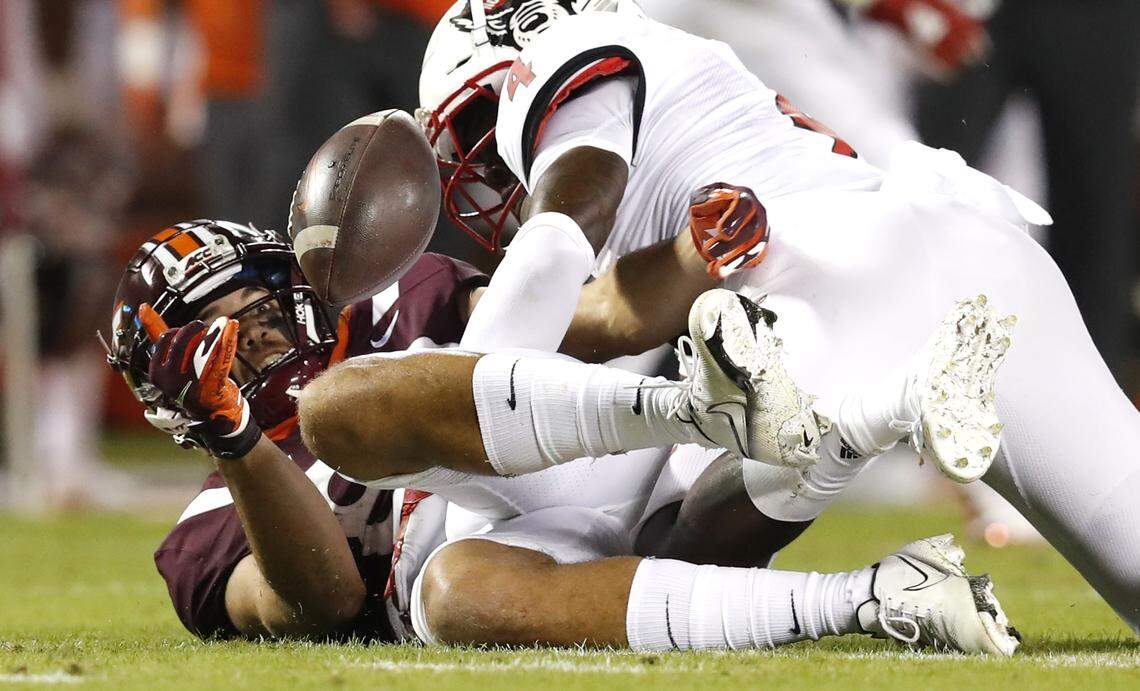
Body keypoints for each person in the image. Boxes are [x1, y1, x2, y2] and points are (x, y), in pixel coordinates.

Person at [311, 1, 1140, 633]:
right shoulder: (693, 85)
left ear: (503, 64)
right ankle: (898, 394)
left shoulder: (560, 61)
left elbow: (558, 245)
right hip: (982, 253)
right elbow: (608, 310)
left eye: (473, 139)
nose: (488, 178)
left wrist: (443, 464)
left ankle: (884, 407)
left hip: (837, 284)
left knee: (682, 548)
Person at [108, 220, 1019, 653]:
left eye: (266, 303)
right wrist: (238, 439)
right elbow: (321, 599)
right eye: (220, 331)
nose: (263, 334)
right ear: (169, 385)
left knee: (347, 402)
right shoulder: (204, 533)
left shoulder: (394, 301)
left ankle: (729, 405)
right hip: (532, 560)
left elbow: (584, 315)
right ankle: (879, 586)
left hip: (595, 439)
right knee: (453, 597)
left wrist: (696, 254)